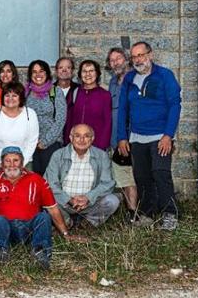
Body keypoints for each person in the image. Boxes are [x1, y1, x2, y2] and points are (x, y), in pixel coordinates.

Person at [0, 146, 80, 270]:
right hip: (6, 229)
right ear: (2, 164)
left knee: (43, 216)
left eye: (16, 160)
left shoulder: (37, 180)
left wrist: (65, 233)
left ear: (22, 163)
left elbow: (52, 208)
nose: (12, 164)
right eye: (7, 161)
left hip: (30, 229)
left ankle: (40, 252)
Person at [116, 41, 181, 230]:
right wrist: (122, 137)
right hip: (136, 137)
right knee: (141, 176)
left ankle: (170, 214)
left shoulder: (165, 76)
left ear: (150, 55)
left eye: (141, 55)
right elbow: (123, 110)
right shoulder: (129, 79)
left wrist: (168, 135)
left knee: (161, 173)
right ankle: (147, 214)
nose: (138, 59)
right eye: (134, 56)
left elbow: (175, 105)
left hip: (160, 136)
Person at [45, 124, 120, 228]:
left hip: (90, 204)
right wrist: (69, 200)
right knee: (47, 200)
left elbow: (108, 183)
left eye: (86, 136)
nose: (82, 140)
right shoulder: (58, 155)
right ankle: (66, 222)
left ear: (92, 138)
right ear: (71, 138)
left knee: (112, 200)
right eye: (77, 136)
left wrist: (88, 198)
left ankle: (87, 223)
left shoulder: (102, 156)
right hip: (64, 204)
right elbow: (50, 183)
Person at [106, 47, 139, 212]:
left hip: (134, 136)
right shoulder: (112, 81)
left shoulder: (136, 79)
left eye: (118, 58)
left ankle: (140, 210)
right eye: (112, 60)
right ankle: (132, 212)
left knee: (136, 175)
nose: (115, 63)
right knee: (124, 176)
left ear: (127, 59)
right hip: (116, 138)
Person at [24, 60, 67, 175]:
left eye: (41, 71)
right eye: (34, 72)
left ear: (47, 73)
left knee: (50, 180)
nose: (38, 75)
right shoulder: (26, 93)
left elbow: (60, 119)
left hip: (51, 144)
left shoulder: (55, 91)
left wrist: (45, 141)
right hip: (30, 145)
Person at [0, 82, 39, 168]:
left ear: (21, 98)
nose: (10, 98)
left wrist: (21, 163)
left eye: (14, 95)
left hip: (24, 162)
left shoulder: (31, 114)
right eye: (7, 95)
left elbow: (32, 141)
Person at [63, 60, 112, 150]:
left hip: (96, 146)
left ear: (97, 73)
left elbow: (107, 123)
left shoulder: (105, 95)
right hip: (76, 145)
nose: (87, 74)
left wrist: (102, 146)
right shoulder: (74, 93)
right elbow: (69, 119)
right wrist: (67, 142)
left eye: (91, 71)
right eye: (84, 71)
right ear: (80, 75)